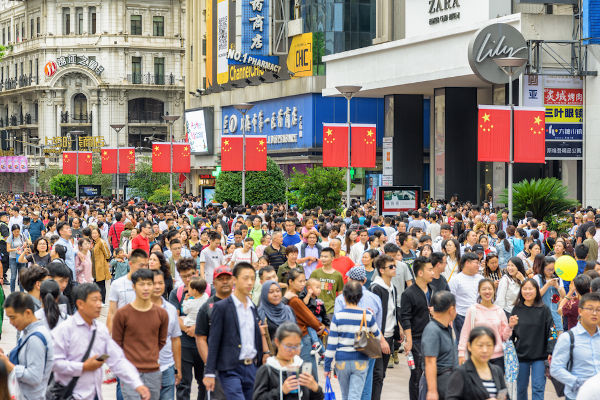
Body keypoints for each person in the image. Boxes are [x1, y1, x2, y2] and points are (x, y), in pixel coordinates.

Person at [51, 283, 150, 400]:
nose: (99, 305)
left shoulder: (100, 330)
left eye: (100, 300)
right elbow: (55, 363)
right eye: (94, 300)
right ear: (80, 304)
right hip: (70, 395)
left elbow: (116, 359)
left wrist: (137, 383)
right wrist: (83, 367)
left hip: (95, 394)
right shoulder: (65, 330)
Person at [203, 262, 267, 400]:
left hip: (251, 368)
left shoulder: (252, 307)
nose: (249, 282)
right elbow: (214, 340)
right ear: (234, 280)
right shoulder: (222, 307)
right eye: (245, 278)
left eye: (252, 278)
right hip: (230, 368)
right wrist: (209, 372)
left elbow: (256, 337)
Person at [112, 268, 169, 400]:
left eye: (149, 284)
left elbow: (161, 341)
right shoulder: (123, 314)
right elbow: (116, 343)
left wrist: (148, 354)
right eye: (141, 284)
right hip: (129, 371)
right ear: (133, 286)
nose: (146, 288)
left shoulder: (161, 314)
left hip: (153, 371)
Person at [324, 280, 381, 400]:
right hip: (361, 360)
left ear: (344, 296)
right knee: (355, 396)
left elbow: (332, 344)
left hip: (341, 361)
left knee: (345, 396)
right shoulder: (367, 315)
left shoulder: (338, 316)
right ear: (360, 296)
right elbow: (378, 337)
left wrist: (327, 367)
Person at [0, 292, 53, 399]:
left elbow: (34, 376)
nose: (10, 322)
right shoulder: (27, 332)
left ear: (27, 313)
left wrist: (8, 365)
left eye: (13, 317)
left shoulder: (36, 339)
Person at [252, 322, 324, 400]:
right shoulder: (267, 370)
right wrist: (281, 391)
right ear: (277, 342)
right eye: (289, 346)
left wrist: (316, 388)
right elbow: (257, 398)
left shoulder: (302, 367)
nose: (293, 351)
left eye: (297, 346)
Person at [551, 292, 600, 400]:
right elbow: (555, 368)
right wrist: (577, 383)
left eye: (598, 309)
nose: (594, 313)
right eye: (590, 309)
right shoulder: (568, 338)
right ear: (580, 311)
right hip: (576, 395)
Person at [511, 278, 554, 400]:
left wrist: (550, 351)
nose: (527, 291)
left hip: (540, 356)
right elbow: (510, 334)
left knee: (538, 388)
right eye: (525, 289)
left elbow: (552, 332)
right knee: (520, 389)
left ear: (536, 290)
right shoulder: (516, 309)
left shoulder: (544, 310)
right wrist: (510, 326)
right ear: (521, 291)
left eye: (531, 288)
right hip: (520, 356)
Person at [195, 266, 234, 400]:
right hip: (217, 367)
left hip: (239, 366)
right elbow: (200, 338)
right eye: (221, 279)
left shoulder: (242, 304)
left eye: (228, 279)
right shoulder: (207, 308)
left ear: (233, 281)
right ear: (214, 283)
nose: (224, 282)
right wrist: (210, 364)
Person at [168, 258, 205, 400]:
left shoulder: (208, 290)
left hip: (203, 342)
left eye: (191, 275)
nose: (188, 279)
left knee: (204, 382)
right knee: (183, 384)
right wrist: (189, 329)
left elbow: (212, 314)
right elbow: (174, 316)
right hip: (184, 344)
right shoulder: (176, 293)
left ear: (196, 272)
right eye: (184, 276)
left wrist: (197, 328)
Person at [458, 279, 516, 369]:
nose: (487, 292)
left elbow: (504, 337)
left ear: (494, 290)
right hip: (478, 356)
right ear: (479, 291)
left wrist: (510, 326)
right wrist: (461, 353)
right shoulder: (473, 310)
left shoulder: (499, 311)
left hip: (498, 357)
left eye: (490, 289)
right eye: (484, 289)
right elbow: (465, 333)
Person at [400, 256, 435, 400]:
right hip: (416, 339)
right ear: (420, 273)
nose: (433, 273)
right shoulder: (408, 293)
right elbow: (405, 318)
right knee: (416, 374)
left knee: (430, 372)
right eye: (430, 270)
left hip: (431, 338)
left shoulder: (431, 290)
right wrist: (409, 341)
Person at [283, 269, 325, 379]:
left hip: (292, 338)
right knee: (309, 374)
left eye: (304, 281)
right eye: (300, 281)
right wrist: (321, 326)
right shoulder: (294, 299)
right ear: (291, 282)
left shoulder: (287, 297)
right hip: (302, 337)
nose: (303, 284)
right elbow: (310, 318)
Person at [446, 326, 508, 400]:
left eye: (489, 345)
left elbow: (506, 396)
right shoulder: (460, 372)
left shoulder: (497, 371)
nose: (485, 350)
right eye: (480, 345)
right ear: (469, 346)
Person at [150, 270, 183, 400]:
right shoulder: (137, 309)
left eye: (161, 283)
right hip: (145, 370)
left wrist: (177, 368)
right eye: (154, 283)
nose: (157, 286)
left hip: (167, 368)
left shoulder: (171, 309)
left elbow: (175, 340)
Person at [370, 254, 399, 400]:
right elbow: (372, 318)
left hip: (389, 335)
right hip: (377, 338)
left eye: (395, 266)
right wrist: (380, 339)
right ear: (381, 270)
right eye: (391, 267)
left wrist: (397, 333)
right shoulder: (376, 288)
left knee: (381, 375)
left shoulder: (391, 286)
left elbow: (393, 312)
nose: (395, 269)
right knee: (377, 375)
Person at [421, 291, 458, 400]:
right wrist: (432, 391)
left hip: (448, 383)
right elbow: (430, 361)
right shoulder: (432, 330)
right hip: (438, 384)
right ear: (451, 310)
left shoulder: (446, 328)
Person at [106, 248, 149, 333]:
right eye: (141, 265)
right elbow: (111, 312)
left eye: (146, 265)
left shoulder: (149, 284)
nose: (144, 268)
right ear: (131, 264)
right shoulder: (117, 284)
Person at [449, 252, 484, 337]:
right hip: (461, 316)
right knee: (462, 341)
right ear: (467, 263)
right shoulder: (456, 279)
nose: (478, 265)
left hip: (478, 315)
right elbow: (450, 299)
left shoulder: (481, 278)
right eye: (476, 263)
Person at [533, 257, 566, 334]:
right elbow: (536, 296)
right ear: (543, 268)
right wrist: (547, 285)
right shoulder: (537, 278)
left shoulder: (558, 278)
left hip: (555, 316)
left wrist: (557, 287)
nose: (551, 272)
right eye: (548, 269)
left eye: (553, 269)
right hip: (541, 316)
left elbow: (564, 296)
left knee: (557, 340)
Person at [310, 247, 344, 319]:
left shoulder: (338, 275)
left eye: (325, 257)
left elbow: (340, 292)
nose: (322, 259)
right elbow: (309, 290)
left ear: (332, 258)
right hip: (316, 309)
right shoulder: (315, 273)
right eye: (321, 256)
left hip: (331, 310)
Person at [90, 227, 112, 302]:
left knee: (101, 285)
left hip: (100, 267)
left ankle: (102, 301)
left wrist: (103, 262)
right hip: (94, 267)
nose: (94, 235)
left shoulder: (101, 242)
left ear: (99, 234)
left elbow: (108, 254)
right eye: (93, 233)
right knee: (96, 284)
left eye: (95, 233)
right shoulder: (94, 243)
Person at [7, 224, 27, 292]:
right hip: (13, 258)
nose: (17, 233)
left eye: (18, 231)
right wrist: (15, 249)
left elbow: (29, 242)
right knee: (13, 277)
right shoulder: (10, 238)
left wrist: (25, 244)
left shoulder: (22, 236)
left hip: (21, 258)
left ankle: (22, 292)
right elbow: (8, 249)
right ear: (12, 231)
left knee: (21, 276)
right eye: (15, 231)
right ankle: (12, 292)